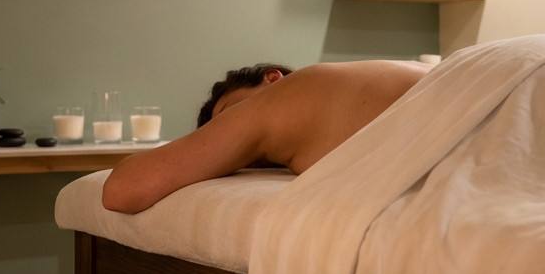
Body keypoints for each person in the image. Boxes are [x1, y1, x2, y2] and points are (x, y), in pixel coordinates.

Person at [101, 58, 434, 213]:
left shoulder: (274, 102)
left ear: (271, 79)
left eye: (228, 113)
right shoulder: (338, 84)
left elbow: (122, 189)